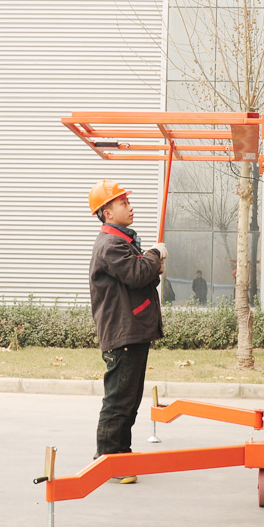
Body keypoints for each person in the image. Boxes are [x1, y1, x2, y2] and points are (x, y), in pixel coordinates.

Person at [88, 179, 168, 483]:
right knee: (119, 400)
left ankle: (119, 453)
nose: (130, 207)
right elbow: (137, 274)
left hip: (131, 331)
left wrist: (152, 263)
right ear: (107, 213)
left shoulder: (121, 242)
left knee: (129, 399)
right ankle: (108, 459)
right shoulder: (110, 245)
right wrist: (154, 255)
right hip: (123, 333)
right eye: (123, 203)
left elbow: (143, 277)